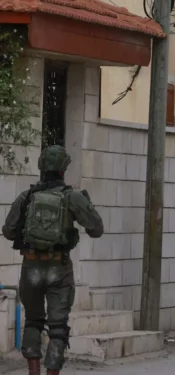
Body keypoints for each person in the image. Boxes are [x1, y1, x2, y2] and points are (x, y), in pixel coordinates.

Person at [2, 145, 104, 375]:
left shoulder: (27, 196)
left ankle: (33, 371)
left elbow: (8, 231)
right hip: (59, 268)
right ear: (63, 170)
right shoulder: (72, 197)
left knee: (33, 321)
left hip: (31, 267)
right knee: (58, 326)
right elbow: (97, 229)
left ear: (41, 167)